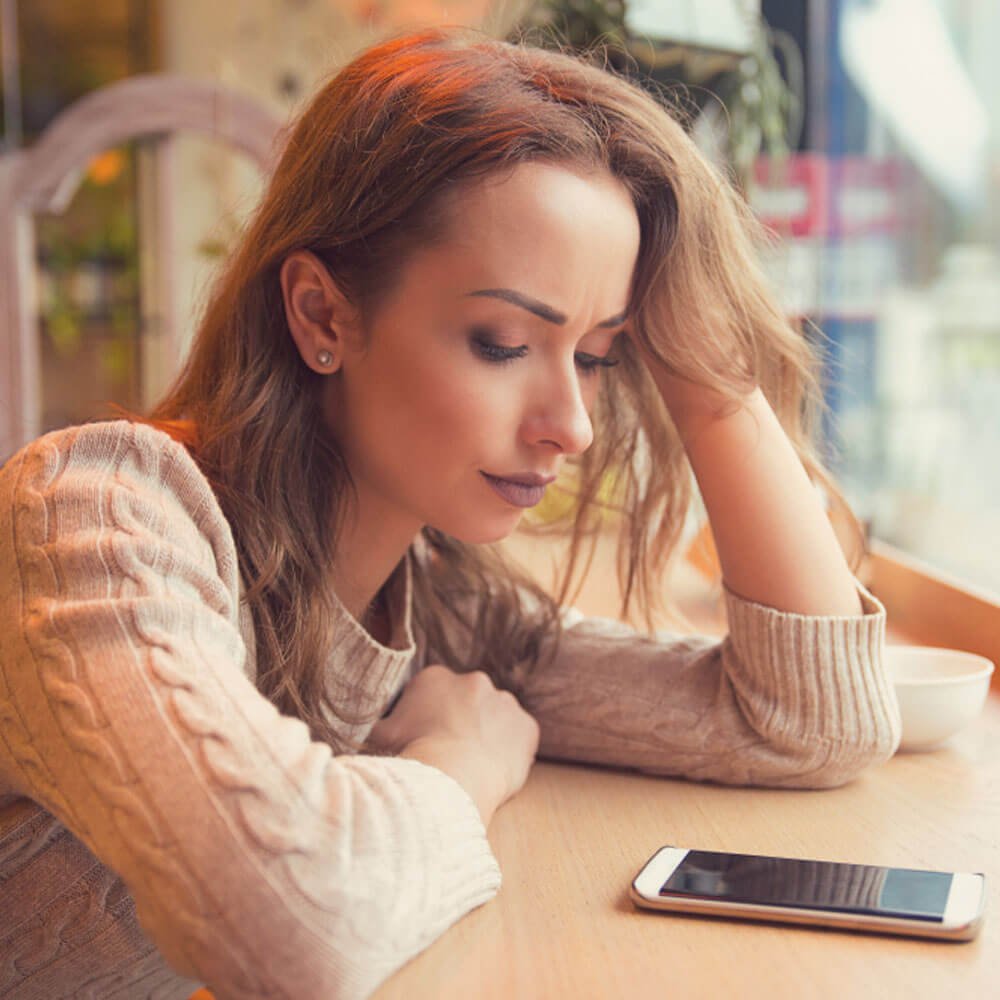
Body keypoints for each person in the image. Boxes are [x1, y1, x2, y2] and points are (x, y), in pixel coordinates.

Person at [0, 26, 900, 1000]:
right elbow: (296, 922)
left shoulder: (434, 611)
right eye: (503, 341)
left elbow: (810, 722)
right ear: (321, 316)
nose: (574, 428)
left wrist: (704, 368)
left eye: (596, 355)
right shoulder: (97, 515)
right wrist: (459, 765)